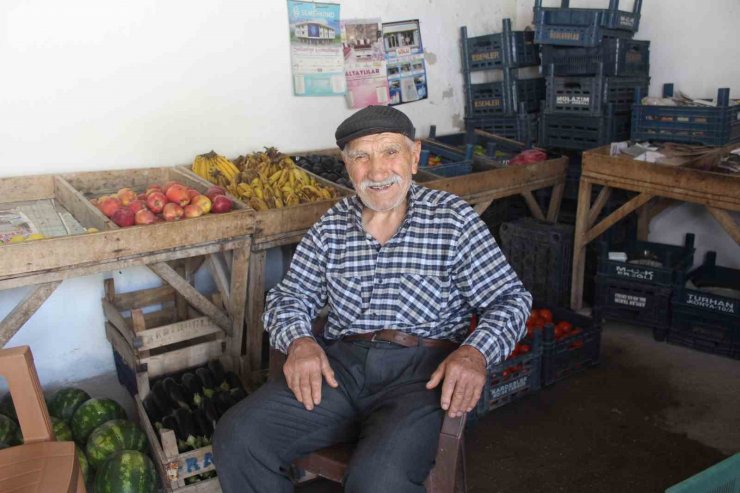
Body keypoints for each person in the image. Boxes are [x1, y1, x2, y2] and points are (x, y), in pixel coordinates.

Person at [213, 105, 532, 493]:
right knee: (239, 436)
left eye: (389, 152)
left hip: (421, 378)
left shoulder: (452, 219)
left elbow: (510, 299)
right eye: (362, 156)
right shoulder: (332, 226)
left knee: (378, 480)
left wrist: (474, 354)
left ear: (414, 156)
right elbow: (288, 297)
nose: (378, 171)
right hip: (341, 372)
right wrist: (300, 342)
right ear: (348, 167)